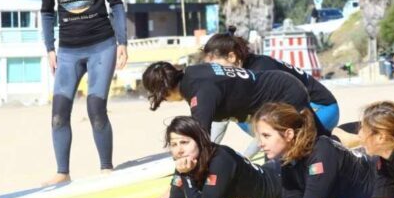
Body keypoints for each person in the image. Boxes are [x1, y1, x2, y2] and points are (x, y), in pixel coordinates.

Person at [41, 0, 128, 186]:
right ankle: (62, 172)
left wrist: (122, 42)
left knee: (95, 108)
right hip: (68, 50)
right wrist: (50, 48)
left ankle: (106, 168)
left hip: (101, 45)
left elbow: (116, 4)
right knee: (58, 113)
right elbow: (46, 12)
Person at [228, 102, 375, 198]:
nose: (260, 144)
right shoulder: (287, 159)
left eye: (266, 136)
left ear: (289, 134)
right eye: (259, 137)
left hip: (383, 183)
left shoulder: (320, 153)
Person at [202, 31, 340, 153]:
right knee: (231, 107)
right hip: (289, 111)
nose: (213, 72)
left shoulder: (261, 69)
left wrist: (246, 158)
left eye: (214, 66)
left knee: (291, 149)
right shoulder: (239, 73)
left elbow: (271, 122)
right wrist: (205, 150)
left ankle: (338, 141)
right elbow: (221, 119)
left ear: (232, 57)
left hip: (322, 109)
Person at [141, 61, 331, 139]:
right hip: (281, 84)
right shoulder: (193, 72)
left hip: (282, 94)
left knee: (305, 146)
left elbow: (199, 142)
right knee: (322, 138)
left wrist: (177, 187)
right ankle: (350, 151)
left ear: (164, 92)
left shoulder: (199, 93)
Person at [164, 116, 282, 198]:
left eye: (184, 142)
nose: (179, 150)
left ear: (200, 141)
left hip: (281, 186)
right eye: (174, 144)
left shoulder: (220, 160)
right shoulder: (187, 162)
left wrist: (186, 174)